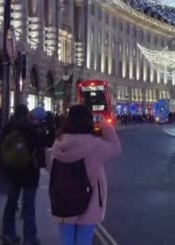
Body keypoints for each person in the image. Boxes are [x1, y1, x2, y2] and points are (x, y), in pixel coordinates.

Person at [51, 105, 121, 245]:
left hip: (63, 201)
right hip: (90, 203)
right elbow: (116, 149)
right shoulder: (95, 145)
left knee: (66, 241)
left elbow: (50, 166)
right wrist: (105, 126)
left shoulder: (59, 143)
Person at [1, 105, 55, 245]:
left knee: (11, 204)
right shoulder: (32, 129)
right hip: (30, 171)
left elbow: (1, 144)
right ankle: (29, 238)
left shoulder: (9, 126)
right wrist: (50, 124)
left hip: (12, 170)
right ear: (27, 114)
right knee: (29, 206)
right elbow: (48, 141)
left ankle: (8, 235)